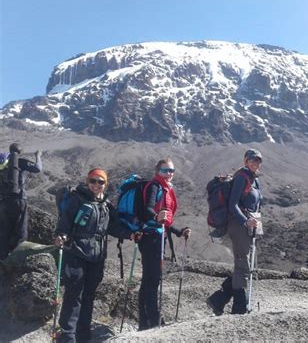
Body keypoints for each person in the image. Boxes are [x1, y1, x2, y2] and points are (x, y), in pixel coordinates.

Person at [54, 168, 137, 342]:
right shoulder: (77, 199)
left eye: (101, 182)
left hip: (97, 258)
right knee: (73, 294)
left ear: (105, 184)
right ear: (87, 181)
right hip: (76, 253)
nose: (96, 185)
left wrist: (129, 235)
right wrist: (61, 235)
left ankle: (83, 335)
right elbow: (65, 222)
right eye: (93, 181)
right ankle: (68, 336)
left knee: (89, 296)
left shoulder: (106, 205)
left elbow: (113, 228)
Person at [207, 149, 263, 315]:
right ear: (246, 161)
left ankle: (218, 300)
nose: (255, 163)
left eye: (258, 161)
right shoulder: (241, 177)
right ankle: (239, 307)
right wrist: (245, 221)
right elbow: (233, 205)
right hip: (239, 225)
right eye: (252, 160)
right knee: (243, 265)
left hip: (250, 225)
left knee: (244, 265)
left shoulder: (255, 180)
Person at [138, 157, 191, 331]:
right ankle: (154, 321)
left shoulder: (165, 187)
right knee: (153, 280)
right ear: (157, 172)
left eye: (171, 171)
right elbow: (149, 209)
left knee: (148, 280)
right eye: (165, 170)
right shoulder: (155, 186)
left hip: (156, 235)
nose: (169, 174)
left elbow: (165, 220)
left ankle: (145, 321)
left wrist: (178, 232)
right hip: (151, 237)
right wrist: (155, 217)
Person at [0, 143, 42, 260]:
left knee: (4, 230)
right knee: (21, 230)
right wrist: (38, 156)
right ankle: (18, 259)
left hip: (3, 201)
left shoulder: (3, 162)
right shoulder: (21, 161)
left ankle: (2, 259)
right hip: (19, 200)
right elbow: (38, 168)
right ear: (20, 151)